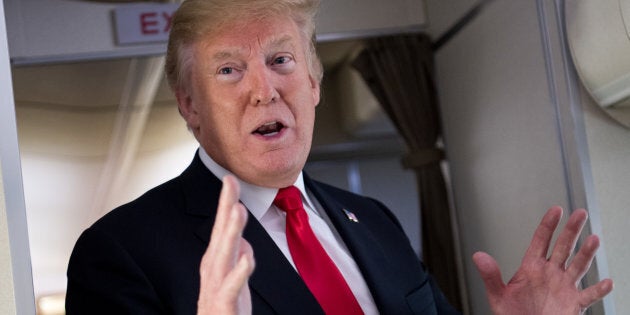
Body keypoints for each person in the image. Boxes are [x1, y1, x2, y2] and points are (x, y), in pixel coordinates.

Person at [65, 0, 613, 314]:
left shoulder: (373, 220)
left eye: (281, 60)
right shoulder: (119, 252)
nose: (264, 91)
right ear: (190, 103)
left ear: (314, 83)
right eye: (229, 70)